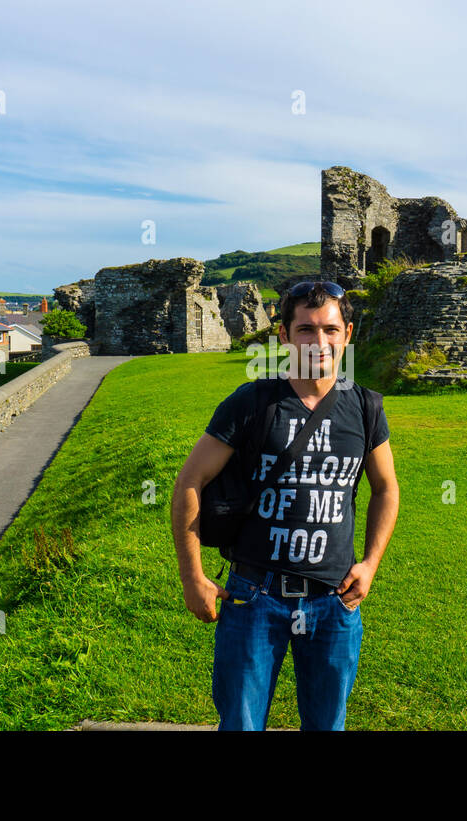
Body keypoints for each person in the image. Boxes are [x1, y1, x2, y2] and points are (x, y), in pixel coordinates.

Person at [171, 280, 399, 730]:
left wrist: (371, 563)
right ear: (284, 336)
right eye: (306, 329)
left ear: (347, 334)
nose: (319, 341)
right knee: (240, 723)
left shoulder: (365, 407)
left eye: (330, 330)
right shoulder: (252, 403)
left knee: (327, 724)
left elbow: (387, 487)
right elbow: (190, 481)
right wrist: (191, 576)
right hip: (254, 596)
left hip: (334, 600)